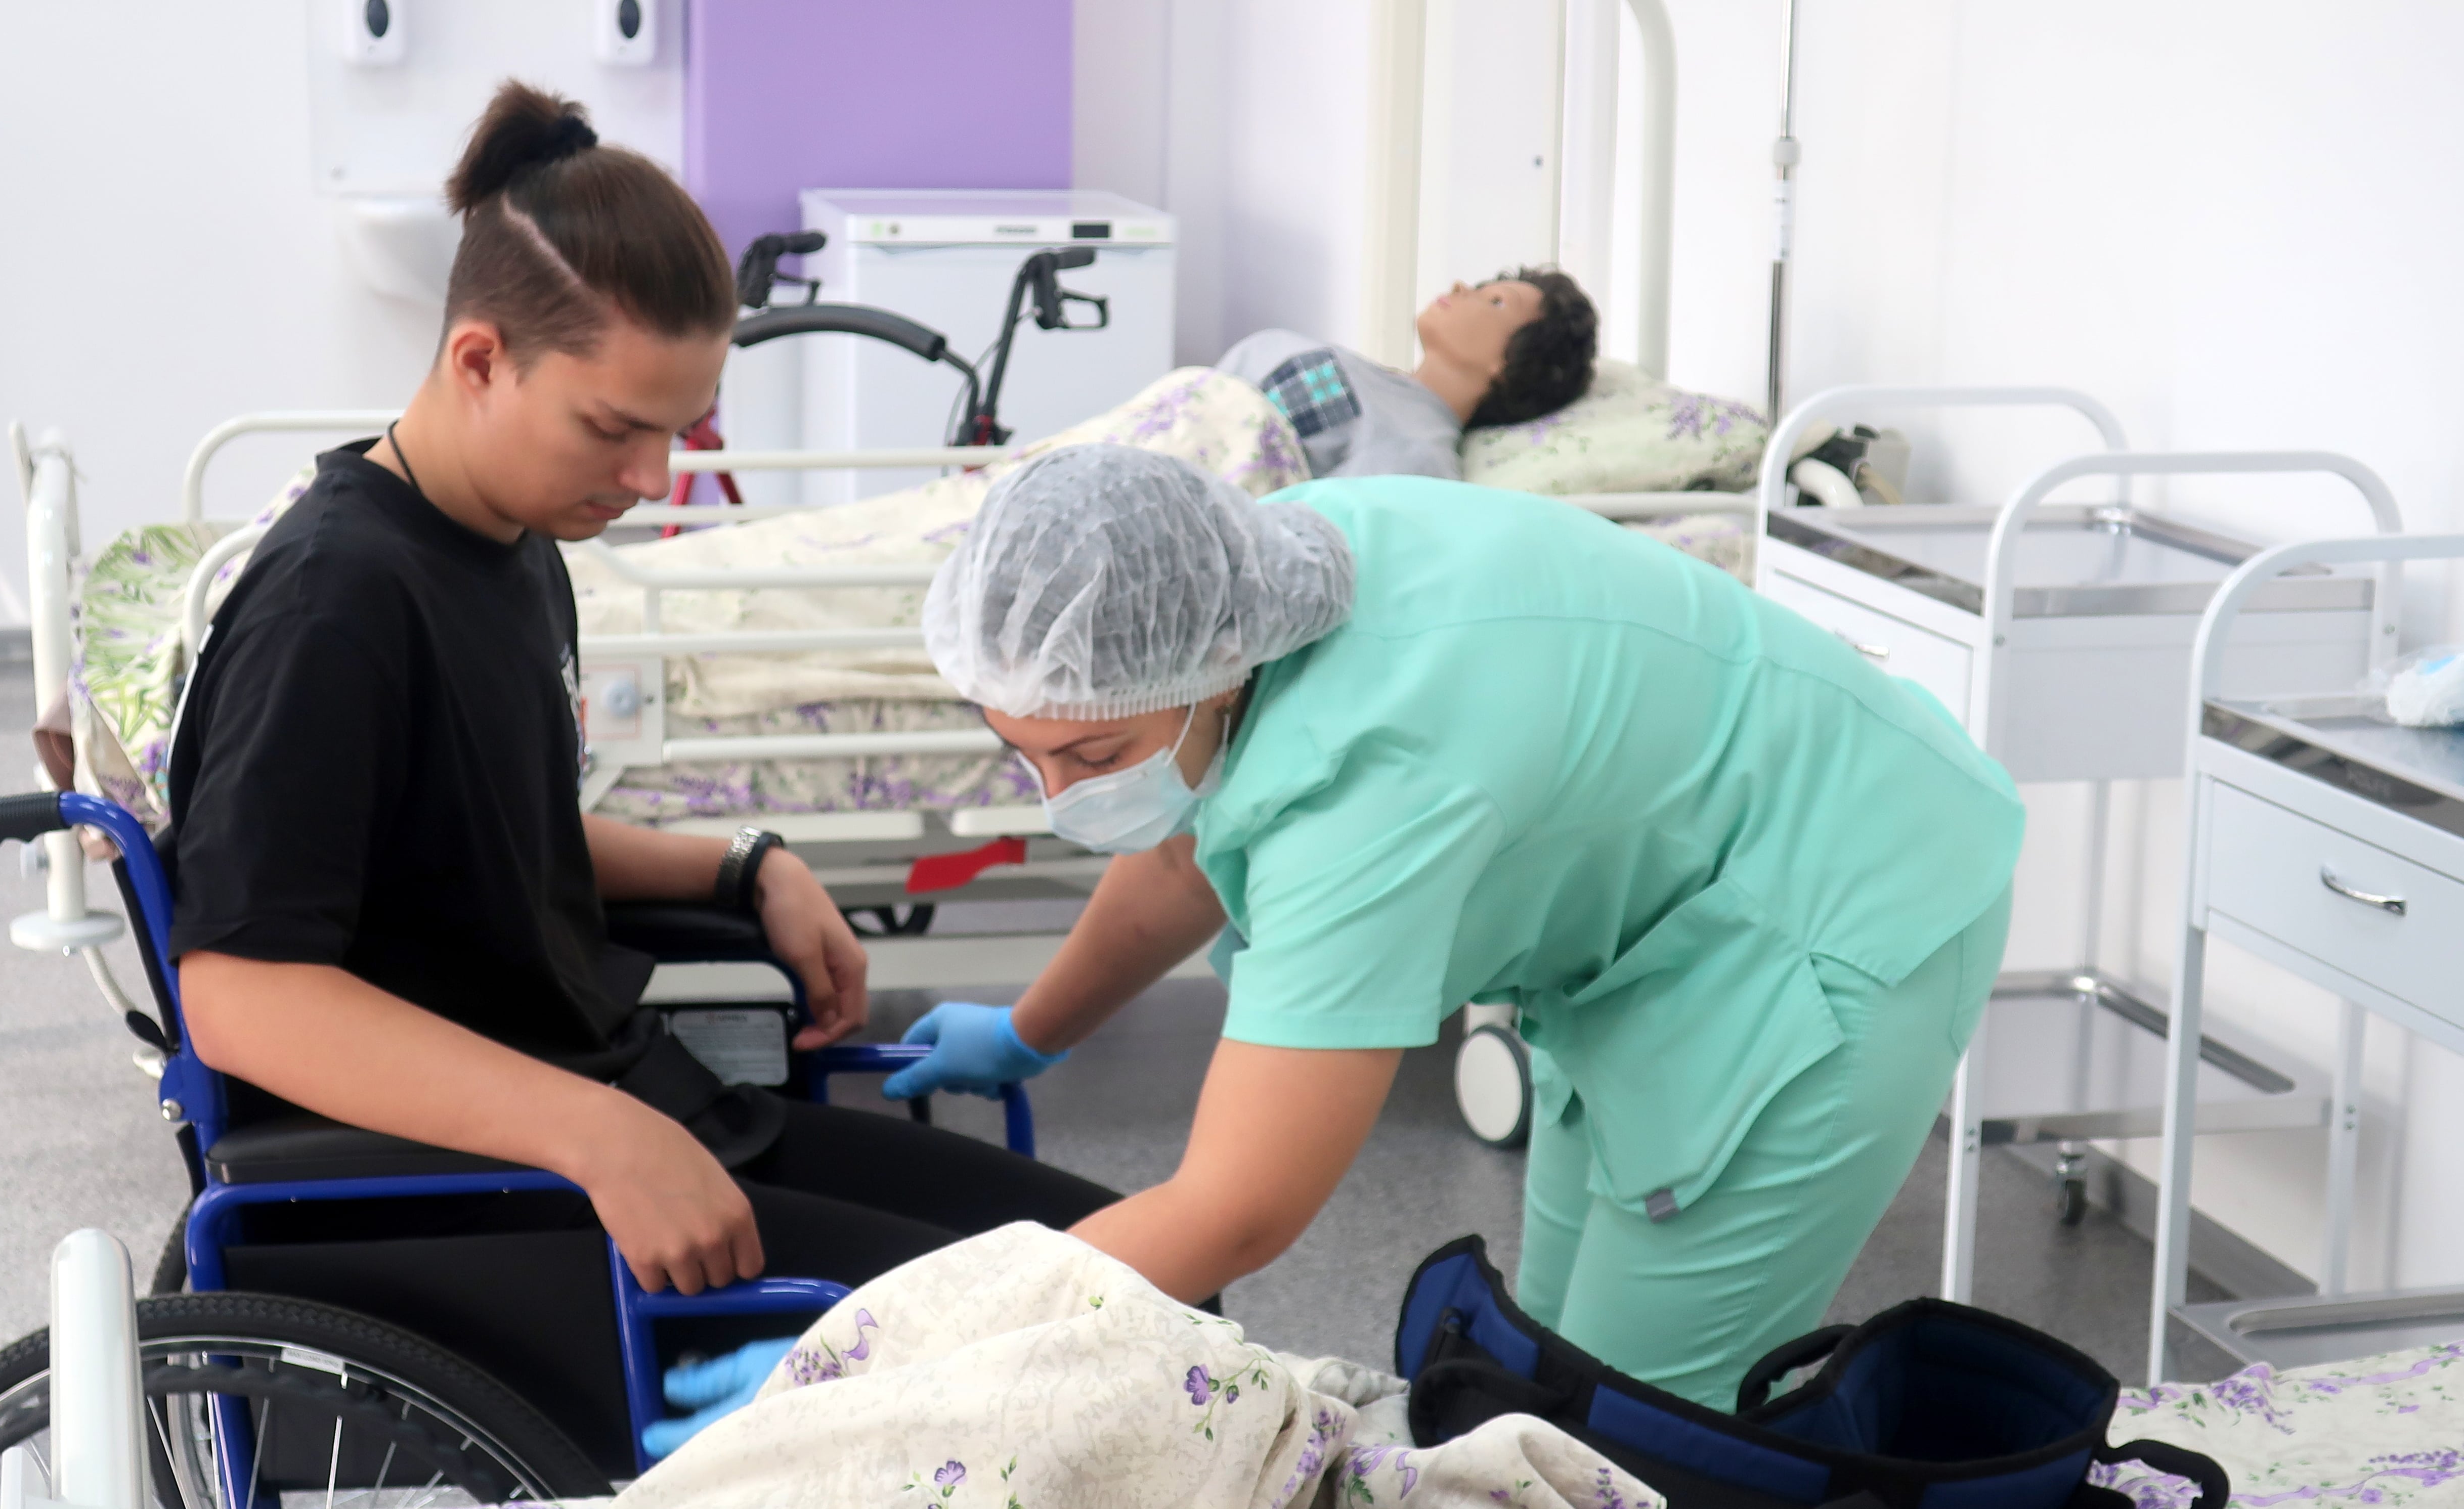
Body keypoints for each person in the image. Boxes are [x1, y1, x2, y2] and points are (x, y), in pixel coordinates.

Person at [164, 81, 1116, 1307]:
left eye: (677, 430)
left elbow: (500, 839)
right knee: (1097, 1322)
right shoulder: (333, 604)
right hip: (486, 1196)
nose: (653, 476)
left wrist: (745, 865)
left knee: (1138, 1269)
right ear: (479, 360)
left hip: (628, 1110)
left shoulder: (510, 550)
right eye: (615, 427)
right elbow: (243, 996)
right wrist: (594, 1136)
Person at [883, 444, 2023, 1410]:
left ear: (1216, 673)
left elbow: (1237, 1209)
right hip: (1661, 918)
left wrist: (904, 1349)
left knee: (1634, 1438)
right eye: (1021, 751)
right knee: (1552, 1372)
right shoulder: (1245, 576)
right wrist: (1030, 1032)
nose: (1060, 799)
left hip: (1843, 902)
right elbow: (1186, 849)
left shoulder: (1370, 788)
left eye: (1092, 756)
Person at [1213, 268, 1596, 481]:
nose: (1461, 286)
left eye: (1495, 302)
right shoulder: (1365, 375)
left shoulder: (1420, 459)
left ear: (1512, 362)